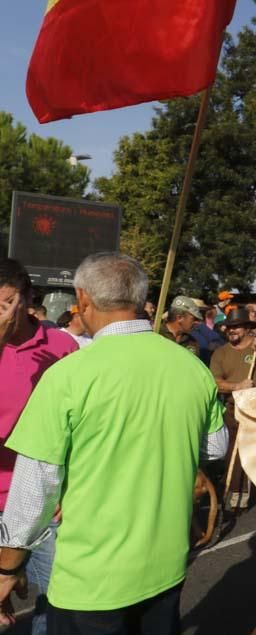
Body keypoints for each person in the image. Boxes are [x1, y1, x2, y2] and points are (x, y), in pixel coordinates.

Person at [0, 252, 227, 634]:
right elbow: (215, 447)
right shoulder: (191, 366)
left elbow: (34, 487)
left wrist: (8, 567)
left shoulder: (68, 375)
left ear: (83, 299)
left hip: (91, 582)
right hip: (166, 568)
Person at [0, 258, 78, 635]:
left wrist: (71, 485)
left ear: (28, 299)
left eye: (7, 302)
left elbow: (81, 425)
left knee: (57, 603)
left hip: (45, 502)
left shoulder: (62, 346)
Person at [210, 306, 256, 509]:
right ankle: (232, 493)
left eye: (236, 327)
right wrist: (237, 386)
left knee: (250, 454)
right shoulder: (220, 353)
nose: (231, 330)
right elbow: (213, 382)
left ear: (247, 328)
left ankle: (243, 492)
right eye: (229, 327)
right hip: (232, 409)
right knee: (231, 451)